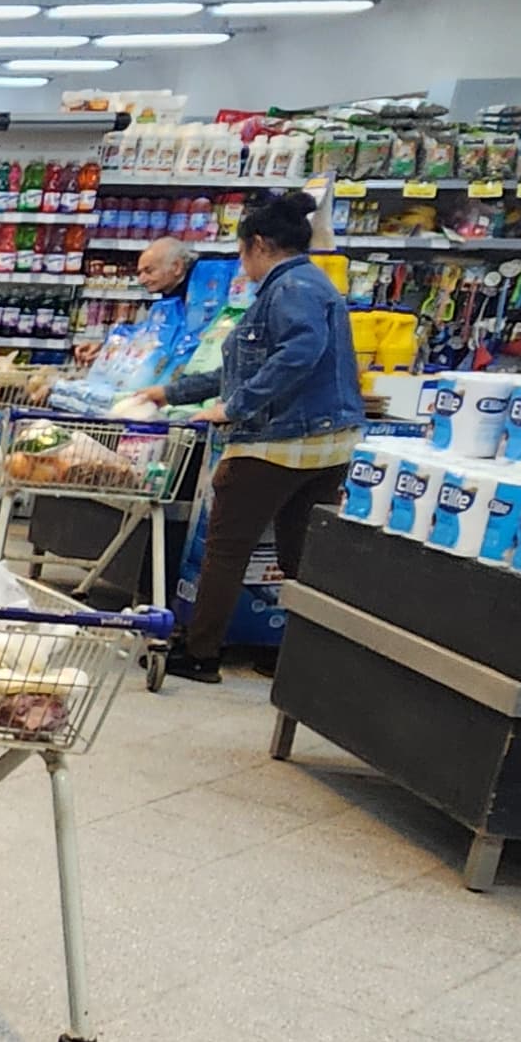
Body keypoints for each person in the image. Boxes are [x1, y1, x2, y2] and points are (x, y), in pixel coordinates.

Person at [158, 187, 364, 681]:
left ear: (258, 244)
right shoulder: (308, 284)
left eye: (241, 250)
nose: (241, 262)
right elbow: (247, 366)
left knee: (227, 549)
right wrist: (170, 393)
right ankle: (296, 653)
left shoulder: (290, 289)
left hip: (279, 445)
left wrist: (235, 408)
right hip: (324, 446)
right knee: (300, 555)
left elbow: (297, 353)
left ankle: (201, 653)